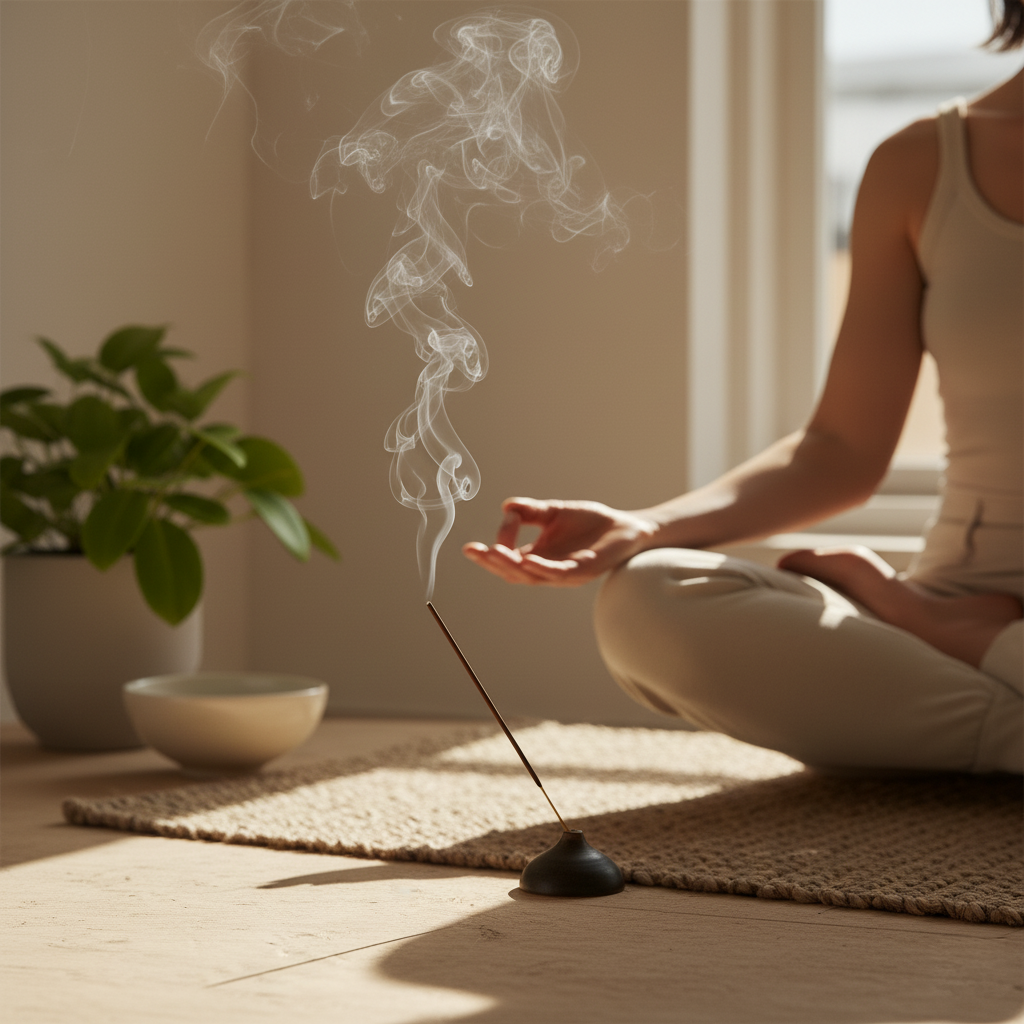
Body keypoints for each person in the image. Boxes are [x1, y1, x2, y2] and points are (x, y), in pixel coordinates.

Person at [464, 6, 1024, 773]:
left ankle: (983, 686)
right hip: (962, 591)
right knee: (647, 603)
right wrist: (648, 527)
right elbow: (841, 450)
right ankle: (980, 672)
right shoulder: (924, 163)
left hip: (953, 640)